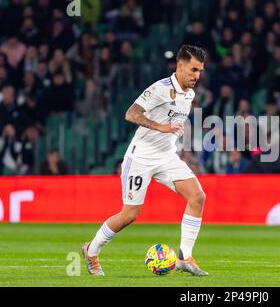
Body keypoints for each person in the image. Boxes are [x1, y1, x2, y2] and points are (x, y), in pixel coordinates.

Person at [82, 45, 208, 276]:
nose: (196, 76)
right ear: (179, 66)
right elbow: (131, 113)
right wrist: (160, 126)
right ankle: (91, 250)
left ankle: (184, 256)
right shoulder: (160, 89)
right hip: (140, 158)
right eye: (193, 69)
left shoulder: (189, 95)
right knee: (130, 214)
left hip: (166, 157)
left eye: (199, 71)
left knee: (197, 197)